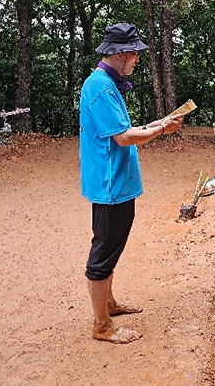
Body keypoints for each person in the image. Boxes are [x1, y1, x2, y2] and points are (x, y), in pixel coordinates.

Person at [79, 22, 184, 343]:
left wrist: (158, 123)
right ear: (122, 54)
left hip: (118, 184)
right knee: (104, 251)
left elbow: (122, 128)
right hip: (110, 187)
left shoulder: (108, 84)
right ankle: (101, 325)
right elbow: (124, 138)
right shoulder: (100, 86)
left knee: (113, 244)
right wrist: (161, 131)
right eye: (135, 55)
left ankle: (108, 304)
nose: (137, 60)